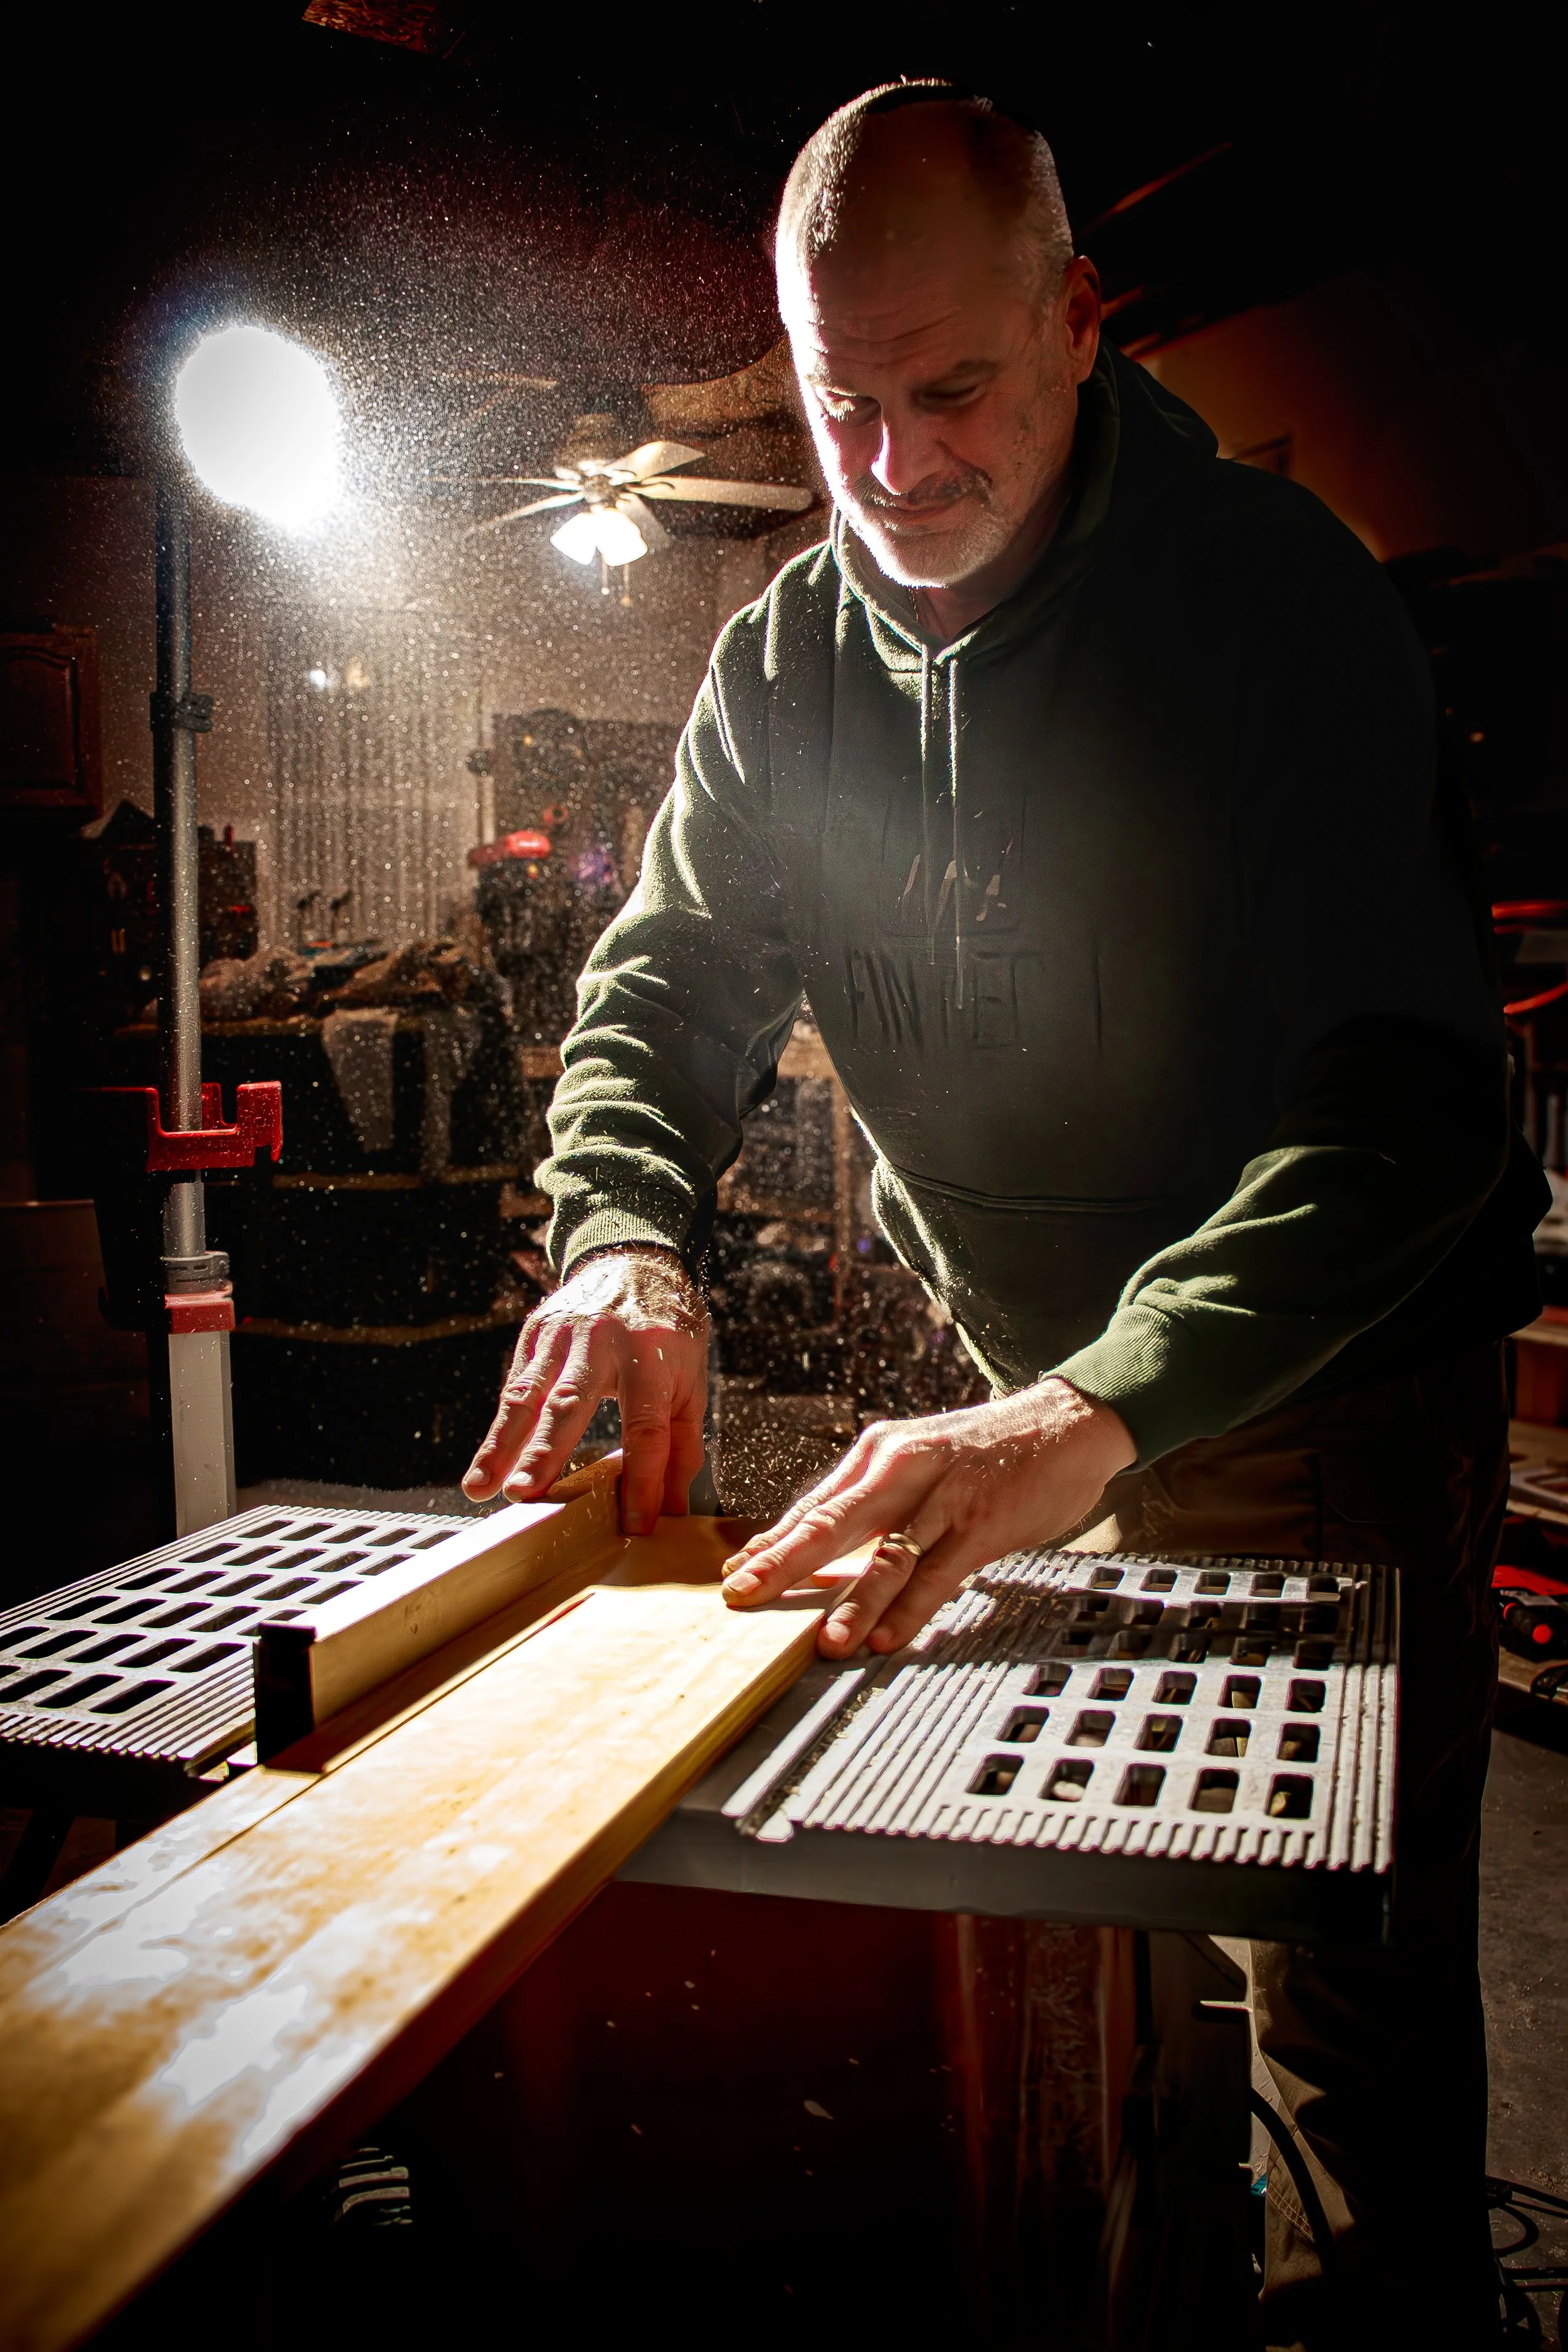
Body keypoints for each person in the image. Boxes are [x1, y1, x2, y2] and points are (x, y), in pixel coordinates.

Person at [464, 83, 1544, 2344]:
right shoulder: (782, 665)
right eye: (840, 405)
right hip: (1026, 1379)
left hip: (1313, 1377)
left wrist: (1099, 1403)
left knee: (1332, 2024)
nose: (895, 465)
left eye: (950, 390)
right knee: (1092, 1952)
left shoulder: (1274, 609)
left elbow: (1415, 1109)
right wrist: (620, 1234)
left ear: (1077, 321)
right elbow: (664, 979)